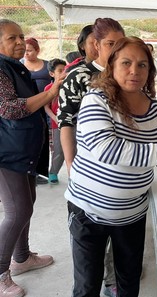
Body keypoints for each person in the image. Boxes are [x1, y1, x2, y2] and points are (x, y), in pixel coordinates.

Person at [65, 36, 157, 297]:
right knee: (87, 286)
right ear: (112, 66)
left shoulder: (153, 109)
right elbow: (105, 149)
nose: (134, 71)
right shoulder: (97, 100)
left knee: (129, 283)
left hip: (131, 214)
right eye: (126, 63)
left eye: (142, 65)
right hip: (88, 211)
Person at [58, 18, 125, 297]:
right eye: (110, 44)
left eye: (120, 44)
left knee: (118, 247)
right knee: (87, 266)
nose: (116, 50)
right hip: (89, 178)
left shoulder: (123, 73)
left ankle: (113, 281)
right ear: (95, 45)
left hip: (119, 174)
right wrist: (73, 167)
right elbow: (66, 124)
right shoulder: (79, 76)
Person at [0, 19, 63, 297]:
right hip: (7, 153)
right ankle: (2, 273)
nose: (20, 43)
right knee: (17, 211)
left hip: (24, 149)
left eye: (21, 37)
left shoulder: (15, 66)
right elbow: (10, 109)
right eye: (12, 38)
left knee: (29, 204)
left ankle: (22, 258)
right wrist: (50, 92)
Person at [20, 37, 51, 185]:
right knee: (28, 139)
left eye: (30, 51)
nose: (27, 54)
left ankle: (41, 171)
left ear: (37, 50)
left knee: (44, 139)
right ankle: (28, 170)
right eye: (25, 51)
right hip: (27, 108)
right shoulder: (19, 66)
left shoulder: (46, 65)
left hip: (45, 107)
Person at [44, 58, 67, 184]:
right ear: (52, 74)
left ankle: (74, 172)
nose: (64, 72)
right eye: (60, 70)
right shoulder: (48, 88)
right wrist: (55, 118)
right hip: (56, 123)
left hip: (72, 123)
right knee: (58, 150)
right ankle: (53, 172)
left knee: (73, 149)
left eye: (65, 69)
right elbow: (46, 106)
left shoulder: (71, 85)